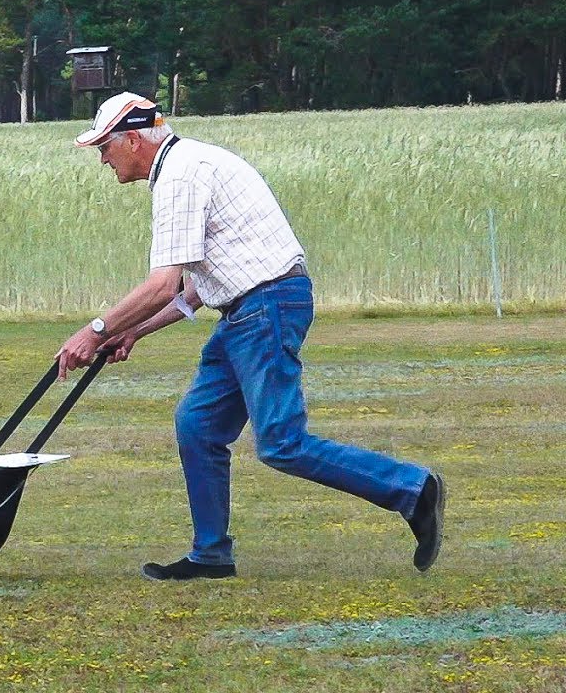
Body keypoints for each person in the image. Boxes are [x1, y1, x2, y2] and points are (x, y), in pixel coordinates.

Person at [56, 92, 446, 581]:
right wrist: (134, 331)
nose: (102, 159)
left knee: (282, 443)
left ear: (133, 139)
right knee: (198, 426)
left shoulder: (179, 175)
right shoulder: (192, 161)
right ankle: (211, 554)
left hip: (264, 308)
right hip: (246, 311)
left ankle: (413, 489)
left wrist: (94, 332)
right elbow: (193, 288)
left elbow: (161, 283)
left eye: (104, 147)